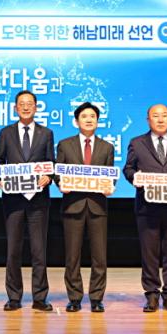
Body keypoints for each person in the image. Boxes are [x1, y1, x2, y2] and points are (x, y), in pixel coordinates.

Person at [123, 104, 167, 313]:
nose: (161, 119)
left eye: (164, 115)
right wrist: (135, 178)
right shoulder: (137, 142)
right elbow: (128, 169)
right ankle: (152, 294)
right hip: (147, 206)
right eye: (156, 116)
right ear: (148, 120)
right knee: (149, 252)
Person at [0, 90, 55, 312]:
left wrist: (49, 176)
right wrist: (0, 178)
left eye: (30, 103)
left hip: (38, 200)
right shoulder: (6, 133)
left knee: (39, 250)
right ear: (15, 108)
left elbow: (51, 162)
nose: (26, 107)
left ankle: (40, 297)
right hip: (13, 200)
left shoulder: (46, 133)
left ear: (36, 107)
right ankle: (14, 297)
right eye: (22, 104)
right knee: (13, 250)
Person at [55, 102, 114, 313]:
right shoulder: (65, 145)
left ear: (98, 121)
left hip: (98, 206)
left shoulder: (107, 147)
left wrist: (110, 186)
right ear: (76, 121)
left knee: (100, 256)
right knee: (72, 256)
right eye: (84, 116)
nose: (89, 120)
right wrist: (60, 183)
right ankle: (74, 298)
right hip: (73, 205)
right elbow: (58, 171)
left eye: (92, 117)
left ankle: (97, 298)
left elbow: (110, 174)